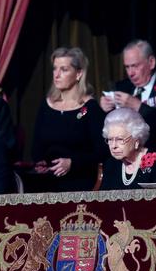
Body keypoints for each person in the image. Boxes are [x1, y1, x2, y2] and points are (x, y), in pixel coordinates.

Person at [32, 47, 107, 192]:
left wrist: (72, 163)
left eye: (64, 69)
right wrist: (39, 162)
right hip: (47, 180)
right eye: (55, 69)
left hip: (79, 180)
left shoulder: (90, 108)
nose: (57, 75)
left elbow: (102, 151)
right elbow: (36, 146)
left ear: (78, 73)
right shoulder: (46, 104)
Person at [99, 40, 156, 155]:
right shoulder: (121, 87)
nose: (130, 73)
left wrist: (139, 107)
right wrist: (104, 110)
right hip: (124, 158)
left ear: (151, 62)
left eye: (135, 66)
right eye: (127, 67)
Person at [100, 108, 156, 190]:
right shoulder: (111, 164)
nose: (113, 146)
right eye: (110, 139)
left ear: (136, 141)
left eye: (120, 139)